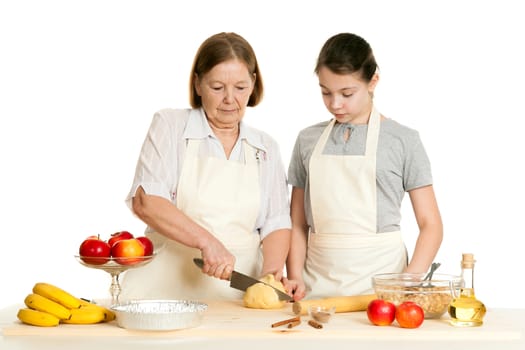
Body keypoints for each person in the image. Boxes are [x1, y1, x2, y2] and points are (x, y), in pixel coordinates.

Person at [120, 32, 291, 301]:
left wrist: (270, 275)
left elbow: (277, 221)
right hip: (165, 291)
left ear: (254, 84)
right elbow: (147, 201)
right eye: (217, 87)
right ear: (198, 84)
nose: (230, 99)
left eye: (240, 87)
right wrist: (207, 242)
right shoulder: (171, 126)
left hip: (239, 296)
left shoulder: (266, 147)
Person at [285, 33, 443, 301]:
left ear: (373, 82)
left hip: (384, 287)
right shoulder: (307, 140)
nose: (335, 104)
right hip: (316, 286)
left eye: (347, 93)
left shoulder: (403, 140)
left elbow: (431, 224)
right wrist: (295, 277)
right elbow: (297, 223)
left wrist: (408, 280)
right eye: (326, 92)